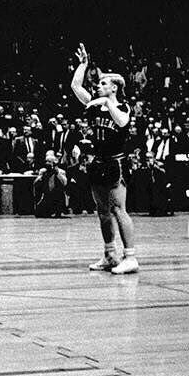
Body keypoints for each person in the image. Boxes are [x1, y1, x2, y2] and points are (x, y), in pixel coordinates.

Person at [71, 43, 138, 274]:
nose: (98, 86)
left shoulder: (124, 106)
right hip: (97, 162)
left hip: (116, 163)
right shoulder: (94, 103)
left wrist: (107, 102)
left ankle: (130, 257)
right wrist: (83, 65)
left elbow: (121, 122)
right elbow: (75, 86)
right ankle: (110, 254)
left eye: (102, 84)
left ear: (114, 88)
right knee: (102, 211)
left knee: (119, 208)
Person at [33, 150, 68, 218]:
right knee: (39, 213)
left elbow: (65, 183)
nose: (47, 163)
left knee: (57, 213)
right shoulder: (43, 171)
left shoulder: (61, 171)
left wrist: (57, 173)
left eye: (49, 162)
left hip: (58, 197)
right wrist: (41, 177)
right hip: (47, 197)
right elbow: (35, 183)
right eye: (46, 162)